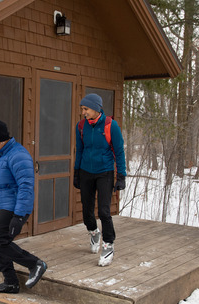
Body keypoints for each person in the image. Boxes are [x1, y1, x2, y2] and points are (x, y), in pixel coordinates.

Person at [0, 119, 47, 294]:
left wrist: (19, 215)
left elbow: (26, 187)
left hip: (13, 207)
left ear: (1, 139)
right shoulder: (0, 156)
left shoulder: (18, 155)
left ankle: (35, 264)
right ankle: (11, 282)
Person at [73, 93, 126, 267]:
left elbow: (119, 152)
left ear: (96, 108)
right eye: (82, 109)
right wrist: (76, 172)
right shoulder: (81, 126)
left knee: (104, 212)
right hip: (86, 172)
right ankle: (94, 232)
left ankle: (108, 244)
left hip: (105, 172)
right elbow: (79, 151)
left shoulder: (111, 125)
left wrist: (121, 176)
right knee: (87, 212)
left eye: (86, 109)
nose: (83, 112)